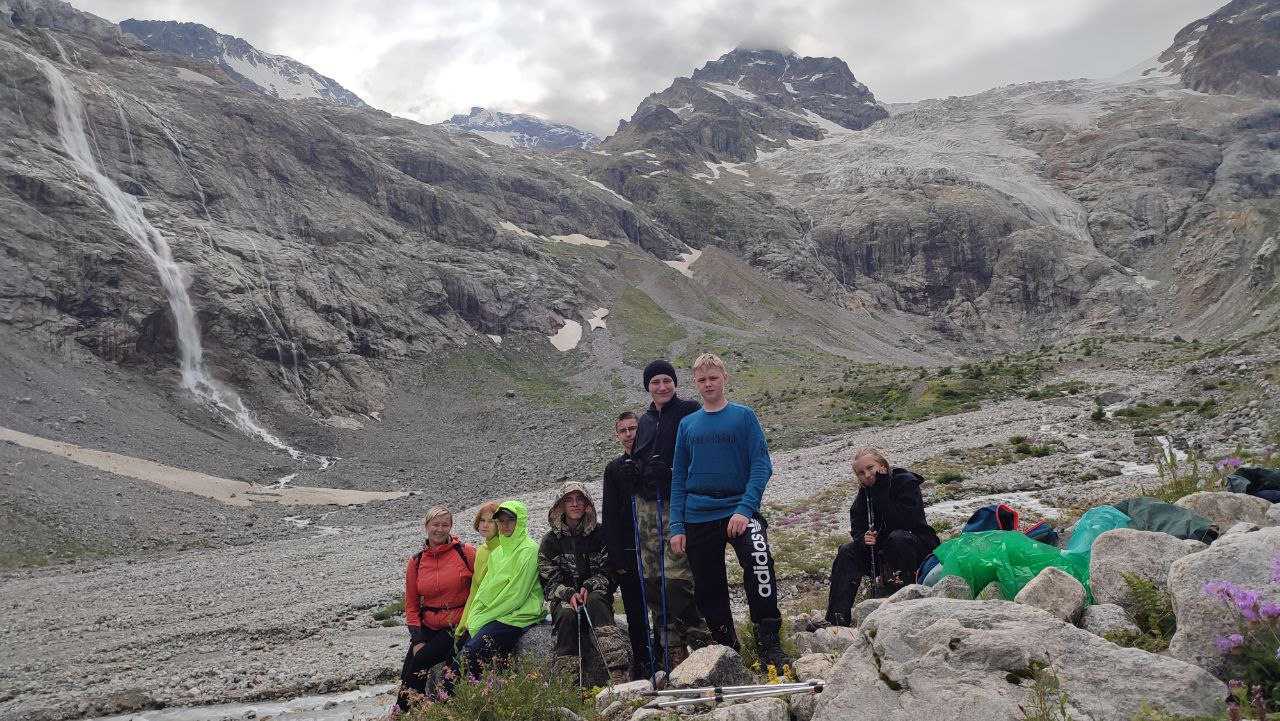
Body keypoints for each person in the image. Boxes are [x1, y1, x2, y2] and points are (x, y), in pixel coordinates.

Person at [668, 353, 791, 670]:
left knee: (759, 561)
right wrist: (677, 525)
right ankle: (728, 648)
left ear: (725, 378)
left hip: (739, 509)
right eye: (702, 380)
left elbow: (761, 465)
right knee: (708, 586)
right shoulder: (687, 424)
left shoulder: (744, 416)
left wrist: (745, 509)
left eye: (713, 378)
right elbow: (679, 477)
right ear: (695, 384)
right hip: (697, 514)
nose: (708, 384)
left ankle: (769, 643)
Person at [630, 360, 710, 671]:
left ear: (675, 383)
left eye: (667, 380)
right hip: (646, 510)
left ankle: (701, 642)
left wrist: (672, 472)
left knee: (678, 581)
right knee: (653, 582)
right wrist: (635, 474)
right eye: (655, 382)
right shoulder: (645, 420)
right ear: (647, 387)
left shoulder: (689, 411)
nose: (662, 387)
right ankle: (672, 649)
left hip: (677, 505)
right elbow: (639, 459)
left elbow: (699, 457)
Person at [824, 447, 940, 627]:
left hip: (915, 547)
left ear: (882, 465)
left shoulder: (905, 482)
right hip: (883, 550)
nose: (867, 475)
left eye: (870, 468)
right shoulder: (865, 493)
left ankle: (906, 607)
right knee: (847, 551)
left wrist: (881, 489)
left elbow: (902, 520)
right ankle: (837, 619)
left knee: (897, 538)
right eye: (861, 473)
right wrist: (863, 539)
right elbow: (857, 524)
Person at [538, 481, 631, 685]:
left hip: (595, 593)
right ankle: (567, 681)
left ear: (587, 503)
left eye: (580, 499)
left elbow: (610, 572)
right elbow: (548, 582)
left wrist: (590, 585)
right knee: (566, 615)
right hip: (565, 598)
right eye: (569, 500)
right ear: (560, 505)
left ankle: (618, 672)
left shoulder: (600, 533)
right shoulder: (550, 541)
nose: (575, 504)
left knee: (596, 601)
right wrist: (568, 593)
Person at [449, 500, 543, 687]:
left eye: (511, 520)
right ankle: (467, 697)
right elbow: (484, 590)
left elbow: (516, 596)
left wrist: (483, 618)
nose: (505, 525)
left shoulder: (529, 550)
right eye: (501, 520)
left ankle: (449, 699)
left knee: (469, 655)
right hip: (496, 614)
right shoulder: (498, 552)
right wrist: (474, 616)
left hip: (518, 616)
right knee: (459, 647)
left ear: (520, 521)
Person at [397, 506, 476, 711]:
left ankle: (403, 713)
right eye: (435, 525)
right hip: (429, 624)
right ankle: (412, 711)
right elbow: (411, 604)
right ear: (426, 526)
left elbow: (482, 586)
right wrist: (417, 639)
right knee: (407, 672)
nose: (440, 529)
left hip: (456, 623)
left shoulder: (465, 552)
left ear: (451, 527)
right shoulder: (416, 561)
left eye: (445, 525)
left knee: (420, 661)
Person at [600, 411, 656, 679]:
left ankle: (667, 654)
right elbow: (609, 514)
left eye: (632, 428)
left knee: (662, 606)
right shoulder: (613, 469)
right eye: (623, 430)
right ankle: (644, 661)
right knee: (635, 611)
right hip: (629, 549)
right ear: (617, 435)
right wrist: (616, 558)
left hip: (656, 546)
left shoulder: (654, 461)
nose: (628, 434)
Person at [456, 501, 501, 640]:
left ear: (499, 524)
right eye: (482, 520)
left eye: (491, 521)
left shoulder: (502, 550)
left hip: (489, 617)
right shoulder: (481, 550)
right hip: (475, 615)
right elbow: (474, 590)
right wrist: (464, 622)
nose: (485, 525)